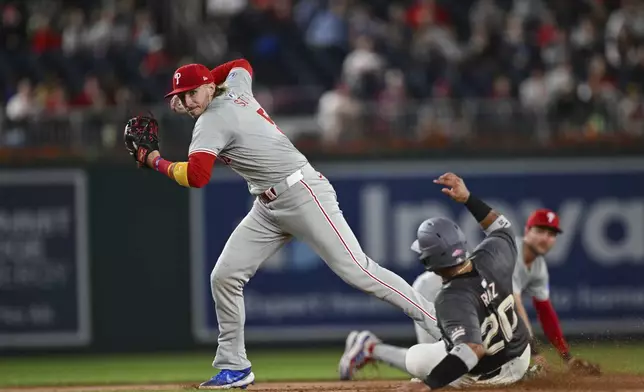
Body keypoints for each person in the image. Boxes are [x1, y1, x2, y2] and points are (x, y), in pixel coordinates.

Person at [124, 59, 442, 389]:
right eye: (181, 95)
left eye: (191, 94)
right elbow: (240, 64)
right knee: (225, 275)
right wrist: (205, 83)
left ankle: (443, 325)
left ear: (207, 87)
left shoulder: (210, 121)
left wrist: (153, 160)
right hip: (268, 205)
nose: (187, 102)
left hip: (303, 194)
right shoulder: (235, 88)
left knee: (360, 271)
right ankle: (234, 367)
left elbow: (196, 176)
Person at [339, 208, 600, 383]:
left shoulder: (536, 264)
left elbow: (543, 311)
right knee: (438, 365)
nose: (546, 238)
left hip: (467, 299)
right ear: (528, 231)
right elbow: (515, 307)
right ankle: (371, 348)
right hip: (435, 293)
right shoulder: (508, 253)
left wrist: (565, 357)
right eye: (541, 230)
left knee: (454, 361)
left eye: (552, 233)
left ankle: (371, 347)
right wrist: (533, 351)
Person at [340, 172, 532, 390]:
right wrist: (468, 198)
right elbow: (502, 227)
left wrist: (427, 384)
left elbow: (472, 349)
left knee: (417, 358)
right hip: (522, 359)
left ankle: (371, 348)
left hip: (488, 379)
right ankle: (371, 348)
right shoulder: (493, 254)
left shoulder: (450, 298)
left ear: (429, 260)